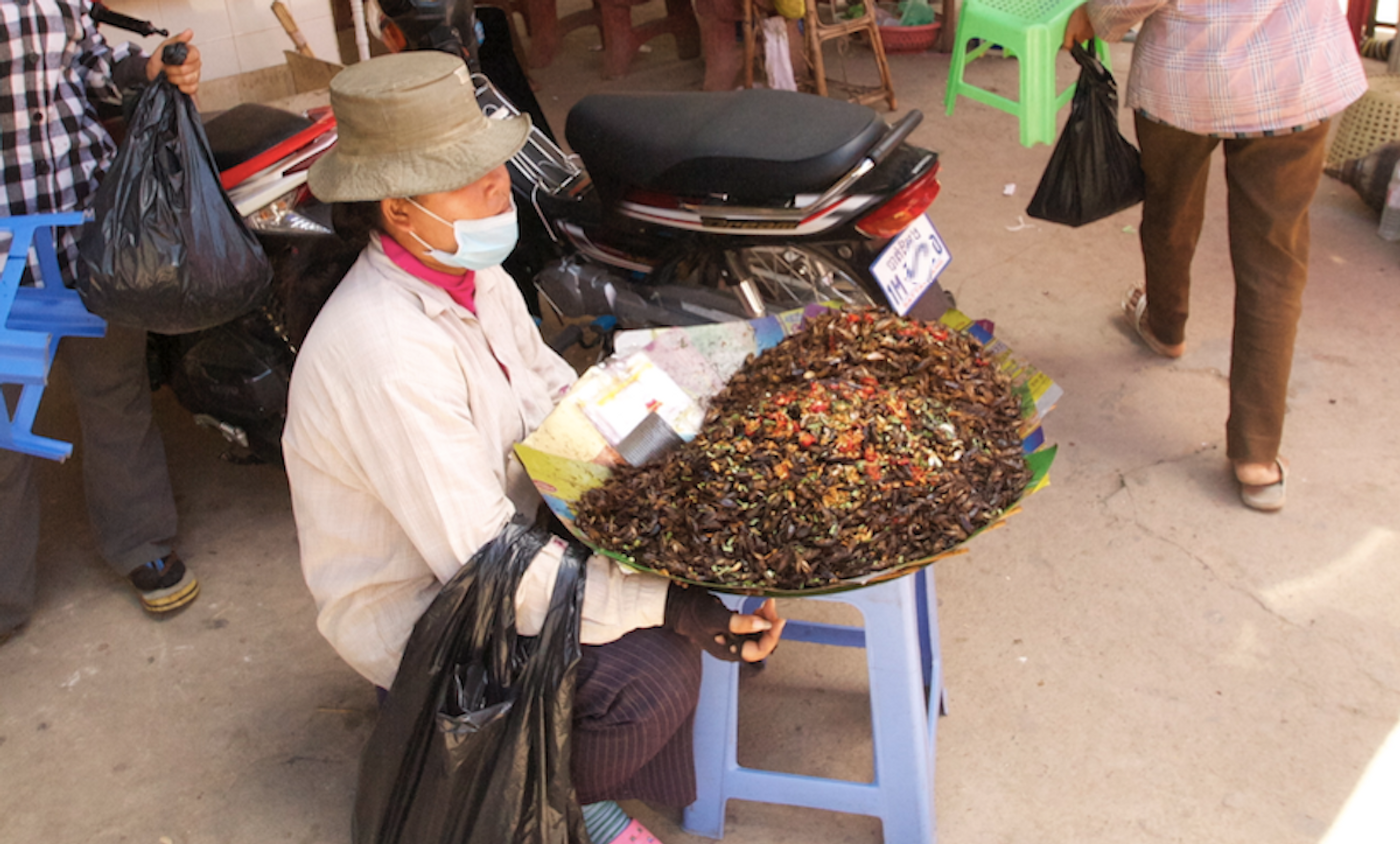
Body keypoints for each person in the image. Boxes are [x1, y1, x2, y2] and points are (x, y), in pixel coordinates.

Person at [282, 51, 785, 844]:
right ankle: (532, 798)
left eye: (492, 166)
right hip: (433, 614)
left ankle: (570, 770)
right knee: (651, 676)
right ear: (398, 210)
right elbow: (486, 566)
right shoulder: (384, 352)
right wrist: (670, 606)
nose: (497, 188)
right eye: (467, 177)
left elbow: (558, 402)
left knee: (685, 555)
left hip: (513, 528)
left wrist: (678, 445)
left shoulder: (475, 280)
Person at [1063, 0, 1367, 512]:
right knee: (1273, 266)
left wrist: (1097, 16)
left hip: (1188, 76)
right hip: (1297, 71)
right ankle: (1257, 458)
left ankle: (1165, 325)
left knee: (1170, 211)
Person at [1, 1, 204, 643]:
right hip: (5, 249)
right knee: (5, 428)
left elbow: (87, 64)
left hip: (88, 225)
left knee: (114, 394)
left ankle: (138, 538)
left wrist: (147, 69)